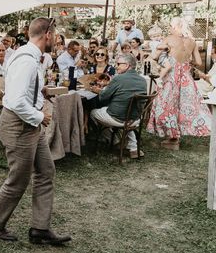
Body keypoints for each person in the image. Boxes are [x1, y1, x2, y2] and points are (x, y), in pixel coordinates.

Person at [0, 17, 71, 246]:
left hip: (28, 124)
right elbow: (16, 101)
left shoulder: (28, 56)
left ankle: (40, 229)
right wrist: (41, 116)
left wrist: (40, 92)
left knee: (45, 170)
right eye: (56, 35)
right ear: (48, 35)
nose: (58, 40)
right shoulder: (27, 61)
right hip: (18, 126)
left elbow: (21, 90)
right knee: (19, 179)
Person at [148, 17, 211, 149]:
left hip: (171, 77)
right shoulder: (192, 42)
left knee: (166, 105)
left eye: (171, 26)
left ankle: (172, 138)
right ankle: (175, 138)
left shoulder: (169, 39)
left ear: (176, 27)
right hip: (186, 78)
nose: (170, 28)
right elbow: (199, 63)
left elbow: (154, 57)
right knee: (184, 106)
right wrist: (187, 62)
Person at [89, 53, 147, 158]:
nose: (116, 66)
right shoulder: (143, 80)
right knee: (126, 114)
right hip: (135, 118)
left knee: (92, 112)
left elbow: (103, 97)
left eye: (119, 64)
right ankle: (133, 148)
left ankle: (115, 140)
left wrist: (98, 90)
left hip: (118, 118)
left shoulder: (118, 79)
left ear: (127, 65)